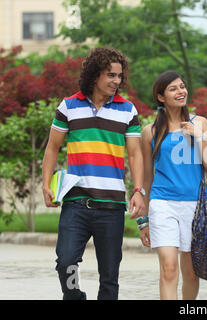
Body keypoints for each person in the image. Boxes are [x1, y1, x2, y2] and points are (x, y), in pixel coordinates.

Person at [42, 47, 145, 300]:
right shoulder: (69, 106)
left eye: (119, 76)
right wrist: (46, 184)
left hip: (111, 206)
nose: (116, 81)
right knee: (66, 261)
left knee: (109, 275)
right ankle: (75, 295)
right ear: (95, 75)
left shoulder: (127, 110)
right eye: (111, 75)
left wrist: (138, 190)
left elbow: (135, 155)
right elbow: (52, 147)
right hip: (76, 202)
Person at [139, 70, 207, 300]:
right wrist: (143, 220)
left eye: (182, 86)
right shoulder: (149, 132)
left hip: (194, 206)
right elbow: (146, 178)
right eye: (173, 88)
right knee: (169, 268)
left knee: (191, 272)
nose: (180, 91)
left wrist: (200, 136)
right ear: (160, 96)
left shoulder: (200, 122)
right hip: (163, 205)